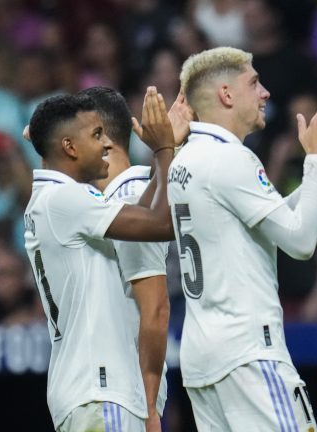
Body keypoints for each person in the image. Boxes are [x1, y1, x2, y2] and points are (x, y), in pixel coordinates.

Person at [171, 46, 317, 431]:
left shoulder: (187, 158)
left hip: (205, 358)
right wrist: (313, 158)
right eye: (254, 83)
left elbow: (277, 222)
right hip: (248, 353)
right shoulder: (231, 159)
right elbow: (298, 242)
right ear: (226, 95)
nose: (265, 93)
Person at [23, 87, 176, 431]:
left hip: (82, 390)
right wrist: (164, 149)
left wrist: (167, 155)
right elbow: (161, 223)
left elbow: (138, 214)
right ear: (69, 147)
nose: (105, 143)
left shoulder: (51, 200)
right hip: (102, 391)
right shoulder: (67, 199)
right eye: (95, 135)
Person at [80, 85, 192, 431]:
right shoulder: (116, 198)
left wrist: (148, 405)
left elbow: (156, 309)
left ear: (99, 137)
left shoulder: (127, 196)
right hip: (113, 391)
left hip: (128, 400)